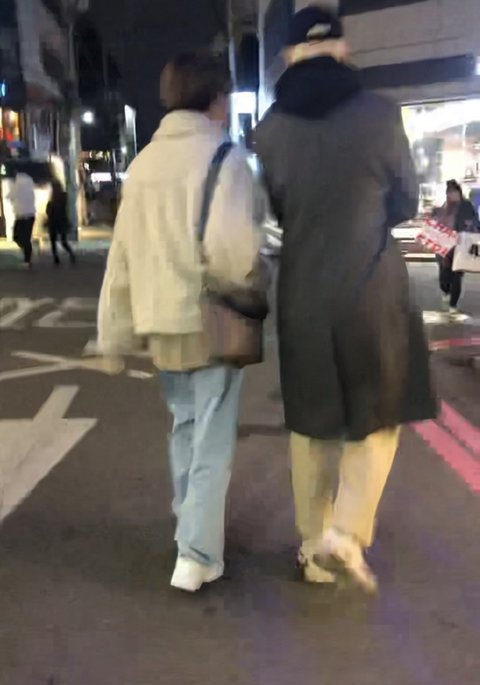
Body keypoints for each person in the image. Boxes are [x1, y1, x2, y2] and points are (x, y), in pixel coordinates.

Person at [255, 5, 437, 592]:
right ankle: (348, 529)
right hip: (371, 287)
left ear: (288, 56)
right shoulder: (380, 114)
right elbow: (405, 200)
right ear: (342, 48)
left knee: (311, 425)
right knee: (377, 413)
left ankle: (313, 546)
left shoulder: (270, 129)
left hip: (303, 289)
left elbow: (279, 210)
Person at [97, 51, 262, 592]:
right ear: (215, 97)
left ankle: (188, 530)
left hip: (159, 320)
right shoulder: (224, 157)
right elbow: (233, 254)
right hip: (209, 319)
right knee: (212, 438)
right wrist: (256, 276)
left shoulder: (144, 162)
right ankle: (196, 554)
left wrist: (114, 330)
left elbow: (121, 255)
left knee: (185, 427)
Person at [433, 180, 477, 314]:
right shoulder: (443, 208)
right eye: (449, 192)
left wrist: (471, 228)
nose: (452, 195)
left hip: (460, 246)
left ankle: (453, 305)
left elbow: (475, 222)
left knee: (456, 277)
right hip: (444, 246)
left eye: (454, 192)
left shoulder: (466, 206)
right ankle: (446, 292)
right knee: (444, 276)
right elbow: (436, 223)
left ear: (459, 193)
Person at [8, 169, 36, 267]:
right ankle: (28, 254)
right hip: (22, 215)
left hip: (27, 215)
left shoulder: (22, 181)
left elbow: (13, 195)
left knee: (24, 238)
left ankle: (27, 260)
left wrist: (11, 195)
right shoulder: (17, 181)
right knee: (18, 237)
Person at [45, 180, 76, 266]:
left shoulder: (53, 199)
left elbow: (49, 210)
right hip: (61, 221)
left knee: (53, 241)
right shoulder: (63, 196)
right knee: (63, 241)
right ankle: (71, 254)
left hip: (53, 221)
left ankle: (56, 258)